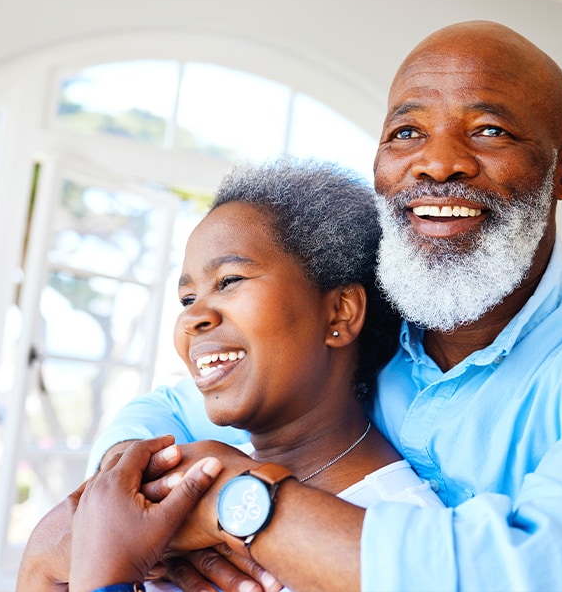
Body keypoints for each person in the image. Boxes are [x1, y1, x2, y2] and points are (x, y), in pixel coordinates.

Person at [26, 20, 562, 592]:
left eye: (488, 129)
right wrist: (123, 501)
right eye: (407, 132)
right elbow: (168, 412)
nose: (438, 162)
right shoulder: (361, 327)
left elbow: (537, 578)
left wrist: (233, 504)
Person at [22, 158, 442, 592]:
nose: (194, 317)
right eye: (187, 299)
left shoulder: (401, 542)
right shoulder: (179, 485)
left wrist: (107, 569)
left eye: (229, 280)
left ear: (340, 312)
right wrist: (43, 555)